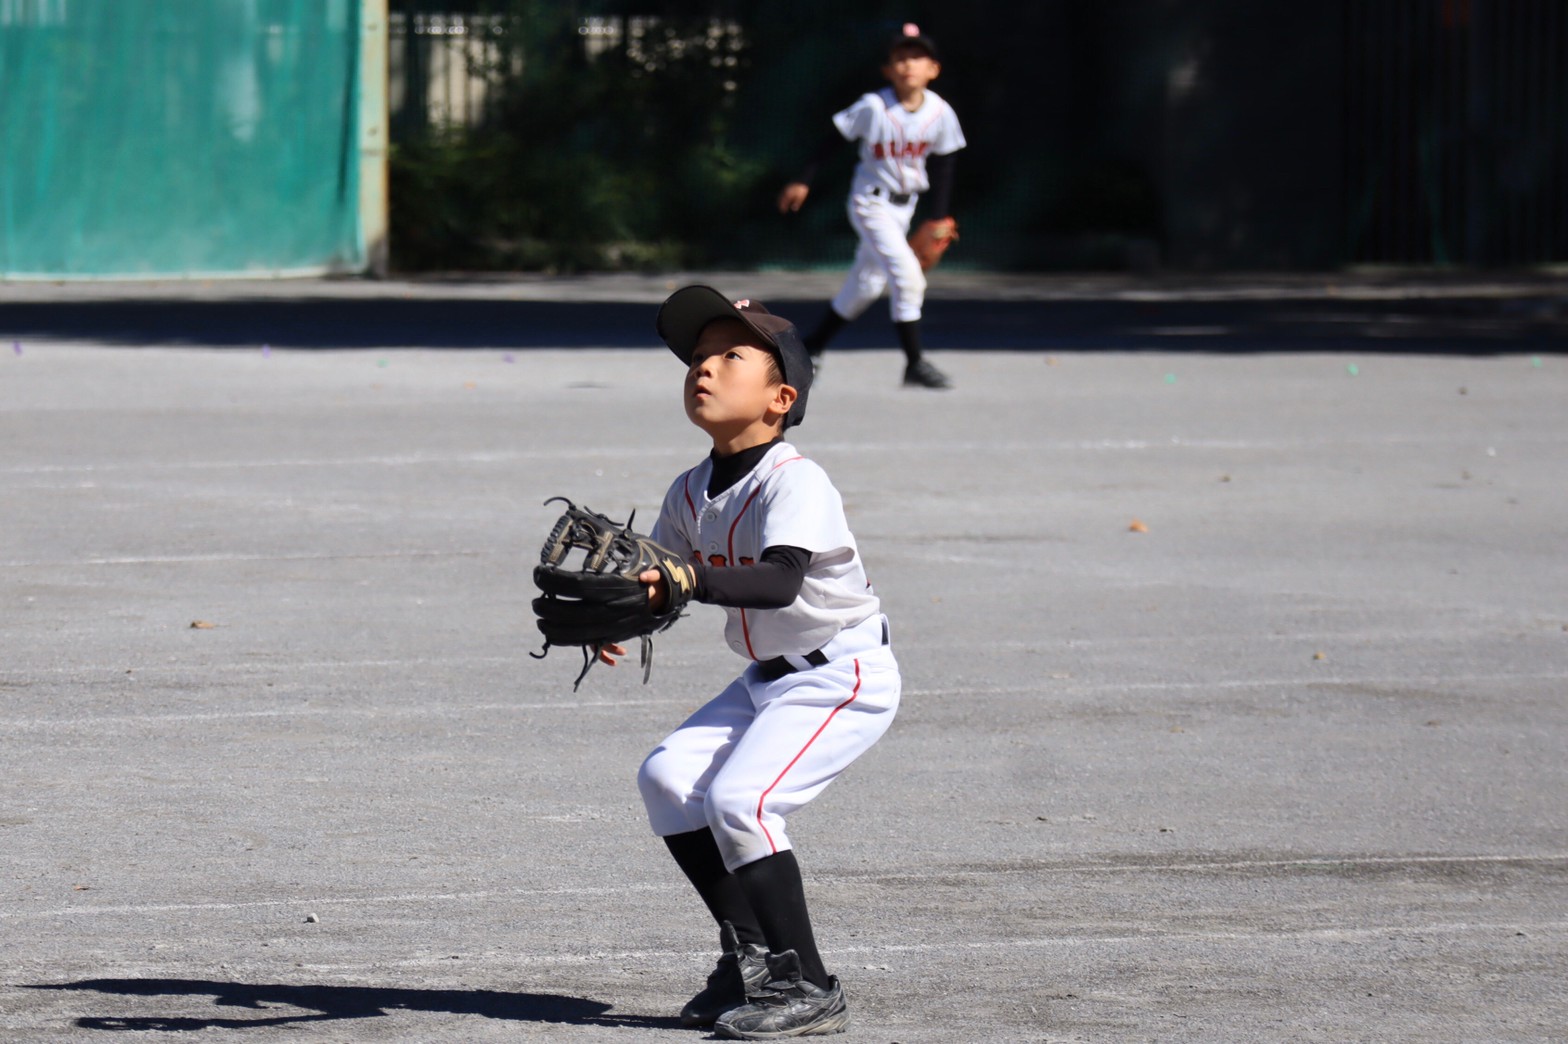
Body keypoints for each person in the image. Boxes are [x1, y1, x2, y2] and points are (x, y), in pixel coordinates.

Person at [600, 285, 901, 1038]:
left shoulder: (793, 478)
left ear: (780, 396)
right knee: (667, 780)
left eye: (731, 356)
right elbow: (664, 583)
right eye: (697, 357)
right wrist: (621, 616)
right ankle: (750, 958)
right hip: (768, 680)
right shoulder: (691, 488)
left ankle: (806, 981)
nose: (704, 367)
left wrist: (687, 580)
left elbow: (778, 581)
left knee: (743, 801)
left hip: (844, 675)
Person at [778, 23, 967, 390]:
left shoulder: (940, 113)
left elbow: (944, 165)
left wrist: (939, 215)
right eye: (900, 58)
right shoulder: (874, 106)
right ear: (887, 70)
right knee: (908, 276)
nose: (908, 64)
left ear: (934, 69)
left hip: (905, 208)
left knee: (866, 285)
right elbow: (833, 141)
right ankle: (914, 363)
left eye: (917, 57)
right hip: (870, 203)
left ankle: (812, 347)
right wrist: (803, 178)